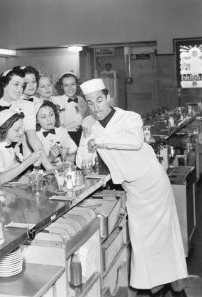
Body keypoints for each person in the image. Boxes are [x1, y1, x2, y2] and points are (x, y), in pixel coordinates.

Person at [76, 78, 188, 296]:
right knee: (143, 243)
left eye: (99, 100)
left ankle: (175, 289)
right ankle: (161, 288)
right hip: (133, 190)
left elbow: (135, 141)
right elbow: (82, 163)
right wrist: (87, 136)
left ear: (108, 97)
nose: (96, 107)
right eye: (90, 103)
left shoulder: (129, 117)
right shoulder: (92, 127)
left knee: (165, 240)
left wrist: (100, 140)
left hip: (153, 184)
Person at [0, 66, 53, 171]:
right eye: (16, 84)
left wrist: (48, 166)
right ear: (4, 85)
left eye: (22, 85)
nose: (20, 89)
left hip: (22, 160)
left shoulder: (28, 106)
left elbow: (33, 137)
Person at [0, 108, 43, 187]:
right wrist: (28, 161)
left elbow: (16, 172)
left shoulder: (12, 144)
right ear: (5, 129)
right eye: (17, 130)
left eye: (21, 129)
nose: (21, 133)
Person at [36, 100, 77, 165]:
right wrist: (50, 157)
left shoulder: (61, 130)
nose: (49, 119)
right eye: (43, 117)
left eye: (51, 115)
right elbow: (33, 164)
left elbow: (74, 149)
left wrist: (66, 148)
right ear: (36, 120)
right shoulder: (34, 136)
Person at [52, 72, 87, 146]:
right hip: (66, 136)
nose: (70, 88)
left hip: (82, 135)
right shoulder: (56, 100)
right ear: (61, 86)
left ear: (77, 85)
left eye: (73, 84)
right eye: (66, 85)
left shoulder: (81, 99)